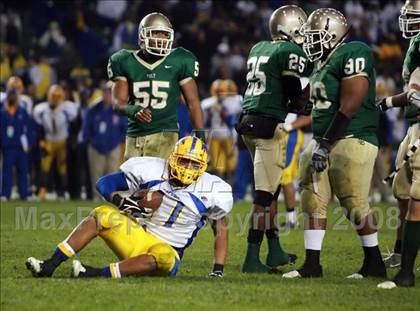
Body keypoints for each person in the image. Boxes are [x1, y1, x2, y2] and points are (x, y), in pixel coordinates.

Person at [26, 136, 232, 278]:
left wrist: (218, 269)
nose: (187, 167)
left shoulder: (213, 189)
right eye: (183, 161)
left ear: (203, 167)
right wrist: (120, 201)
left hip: (167, 250)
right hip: (136, 236)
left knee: (163, 256)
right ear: (173, 158)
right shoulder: (152, 169)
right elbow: (105, 183)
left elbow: (220, 229)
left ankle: (94, 273)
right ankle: (49, 264)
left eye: (193, 164)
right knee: (102, 215)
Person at [283, 8, 386, 280]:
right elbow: (304, 103)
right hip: (322, 138)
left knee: (352, 202)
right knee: (312, 198)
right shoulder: (321, 63)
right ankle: (312, 265)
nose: (310, 42)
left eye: (315, 36)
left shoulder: (354, 52)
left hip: (352, 137)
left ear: (332, 35)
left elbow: (351, 104)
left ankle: (374, 263)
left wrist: (325, 145)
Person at [235, 5, 312, 273]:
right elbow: (292, 86)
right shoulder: (289, 50)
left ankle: (275, 249)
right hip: (269, 126)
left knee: (272, 192)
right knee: (264, 196)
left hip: (248, 121)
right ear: (289, 28)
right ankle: (252, 258)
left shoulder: (258, 48)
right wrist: (305, 99)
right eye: (301, 30)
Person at [108, 12, 205, 161]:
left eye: (164, 35)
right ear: (142, 36)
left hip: (166, 136)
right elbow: (116, 102)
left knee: (160, 183)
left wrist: (200, 137)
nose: (161, 39)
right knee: (135, 183)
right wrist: (132, 109)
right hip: (135, 136)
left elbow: (193, 102)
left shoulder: (180, 59)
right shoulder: (124, 60)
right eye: (155, 34)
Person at [377, 0, 419, 289]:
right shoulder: (416, 42)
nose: (408, 20)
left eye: (414, 16)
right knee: (402, 193)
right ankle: (401, 253)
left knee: (416, 202)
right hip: (413, 125)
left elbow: (415, 94)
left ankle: (406, 273)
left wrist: (387, 102)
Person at [82, 81, 127, 200]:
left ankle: (110, 199)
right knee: (96, 175)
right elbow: (86, 128)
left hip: (114, 147)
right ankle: (96, 200)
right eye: (106, 91)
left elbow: (126, 128)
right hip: (95, 147)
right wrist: (91, 142)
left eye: (110, 91)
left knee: (112, 174)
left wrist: (119, 142)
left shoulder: (119, 108)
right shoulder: (94, 108)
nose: (107, 94)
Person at [33, 85, 78, 200]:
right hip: (48, 141)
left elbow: (74, 125)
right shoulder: (41, 109)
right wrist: (41, 141)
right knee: (44, 167)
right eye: (53, 96)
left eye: (58, 96)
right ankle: (41, 192)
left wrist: (72, 139)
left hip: (62, 141)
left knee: (62, 168)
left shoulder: (68, 109)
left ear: (62, 97)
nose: (55, 99)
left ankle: (63, 191)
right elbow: (39, 127)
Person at [202, 79, 242, 181]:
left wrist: (222, 110)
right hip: (214, 135)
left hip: (229, 135)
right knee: (217, 164)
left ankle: (231, 186)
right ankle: (220, 184)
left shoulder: (235, 102)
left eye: (222, 90)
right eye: (217, 90)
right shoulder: (208, 103)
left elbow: (233, 121)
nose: (220, 93)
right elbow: (205, 123)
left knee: (231, 164)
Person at [279, 114, 312, 230]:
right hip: (283, 136)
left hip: (290, 136)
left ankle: (292, 220)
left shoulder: (297, 97)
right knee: (282, 177)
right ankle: (291, 219)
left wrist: (287, 127)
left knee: (285, 177)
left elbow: (307, 117)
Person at [0, 88, 29, 200]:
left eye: (14, 95)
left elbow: (29, 128)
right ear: (7, 97)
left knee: (23, 170)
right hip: (7, 146)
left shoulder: (22, 111)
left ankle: (24, 194)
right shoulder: (2, 111)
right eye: (10, 95)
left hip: (21, 146)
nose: (12, 97)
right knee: (7, 171)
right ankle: (6, 194)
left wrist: (29, 143)